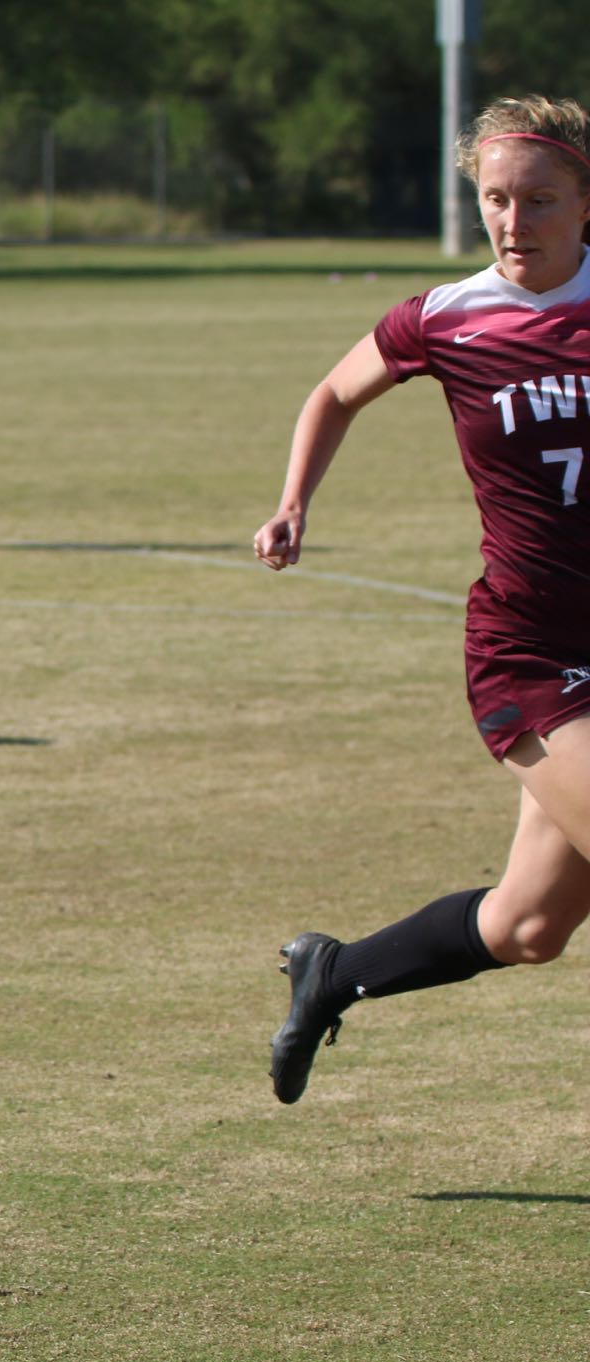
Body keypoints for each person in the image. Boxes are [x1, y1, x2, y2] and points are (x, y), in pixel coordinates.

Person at [258, 95, 590, 1105]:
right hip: (532, 655)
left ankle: (332, 972)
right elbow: (334, 392)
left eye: (537, 199)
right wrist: (292, 501)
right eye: (495, 198)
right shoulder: (449, 317)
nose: (512, 220)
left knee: (529, 928)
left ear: (585, 202)